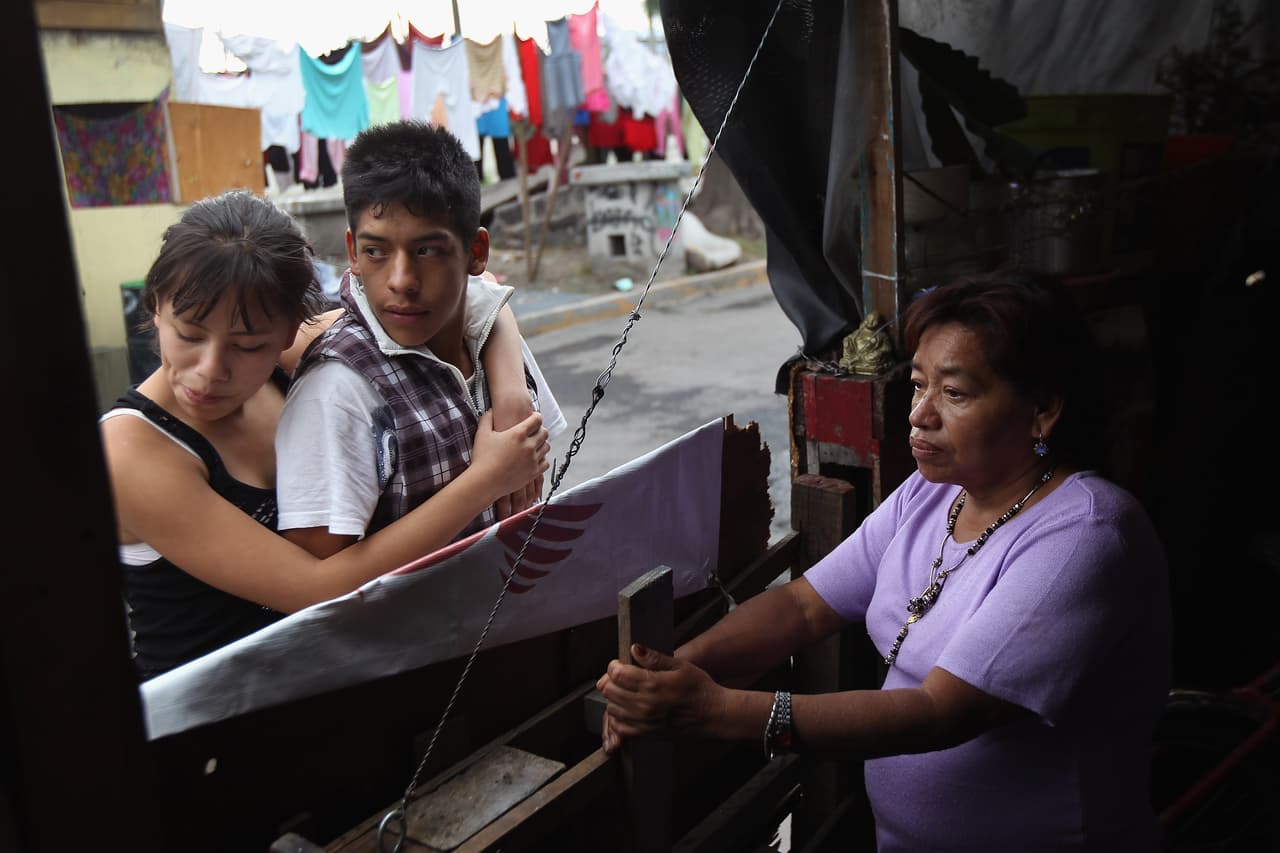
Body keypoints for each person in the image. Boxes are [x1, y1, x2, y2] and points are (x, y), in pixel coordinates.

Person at [596, 269, 1172, 852]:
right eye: (919, 385)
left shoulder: (1085, 536)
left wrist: (721, 711)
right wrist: (664, 676)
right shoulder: (934, 494)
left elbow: (937, 712)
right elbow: (802, 607)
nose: (920, 414)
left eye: (954, 393)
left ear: (1042, 410)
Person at [99, 190, 550, 680]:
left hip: (323, 682)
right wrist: (484, 480)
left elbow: (472, 296)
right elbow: (318, 589)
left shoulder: (299, 353)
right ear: (156, 308)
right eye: (188, 335)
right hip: (204, 720)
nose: (209, 370)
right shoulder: (131, 449)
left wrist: (509, 394)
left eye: (247, 346)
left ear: (292, 328)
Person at [275, 120, 567, 558]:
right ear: (352, 253)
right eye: (376, 251)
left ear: (475, 253)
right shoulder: (339, 392)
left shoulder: (490, 337)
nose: (402, 281)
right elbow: (324, 589)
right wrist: (486, 479)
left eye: (427, 251)